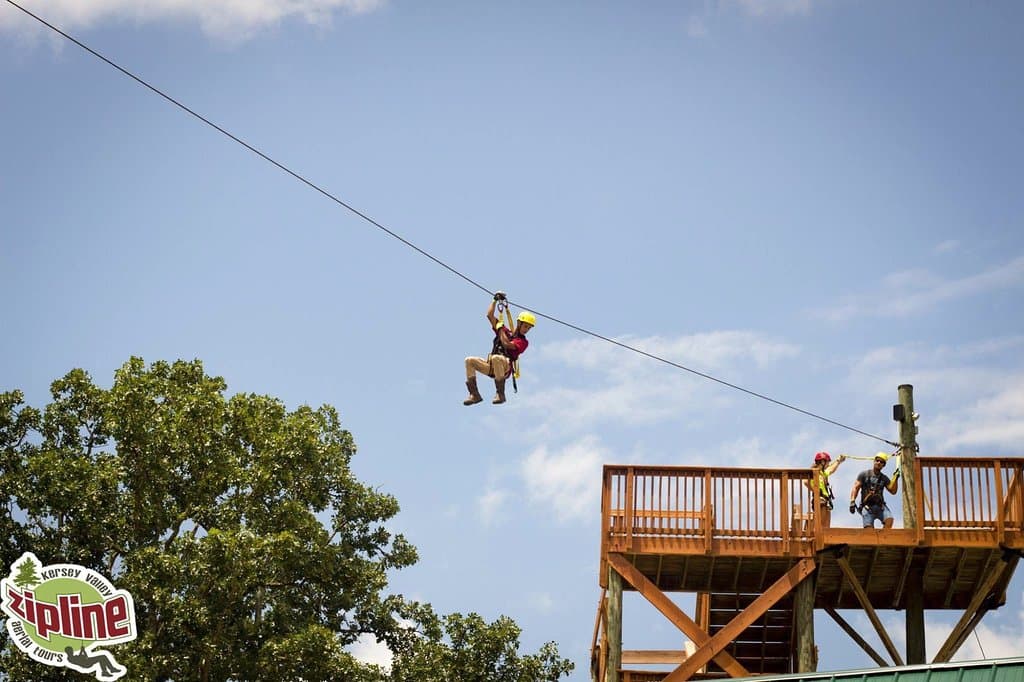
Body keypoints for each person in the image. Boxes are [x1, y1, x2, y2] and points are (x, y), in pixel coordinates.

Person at [463, 292, 535, 406]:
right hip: (492, 366)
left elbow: (506, 344)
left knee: (497, 358)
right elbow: (489, 315)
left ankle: (500, 394)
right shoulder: (506, 331)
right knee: (469, 360)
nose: (526, 330)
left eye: (529, 328)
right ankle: (474, 395)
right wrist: (494, 300)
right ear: (519, 323)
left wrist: (500, 328)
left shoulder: (523, 342)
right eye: (525, 326)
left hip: (504, 368)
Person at [849, 452, 901, 528]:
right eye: (877, 460)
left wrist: (896, 478)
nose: (879, 463)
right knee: (869, 532)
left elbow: (893, 491)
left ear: (884, 465)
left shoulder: (884, 478)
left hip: (880, 507)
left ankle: (883, 537)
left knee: (889, 520)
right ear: (874, 461)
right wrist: (852, 501)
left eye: (882, 462)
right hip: (867, 508)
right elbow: (856, 488)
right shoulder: (864, 474)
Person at [807, 451, 847, 529]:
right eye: (827, 462)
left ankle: (824, 539)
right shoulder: (814, 472)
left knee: (826, 526)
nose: (828, 464)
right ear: (822, 462)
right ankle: (820, 538)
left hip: (826, 500)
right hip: (820, 500)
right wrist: (815, 491)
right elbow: (805, 482)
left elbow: (831, 469)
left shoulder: (822, 473)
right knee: (821, 524)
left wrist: (839, 461)